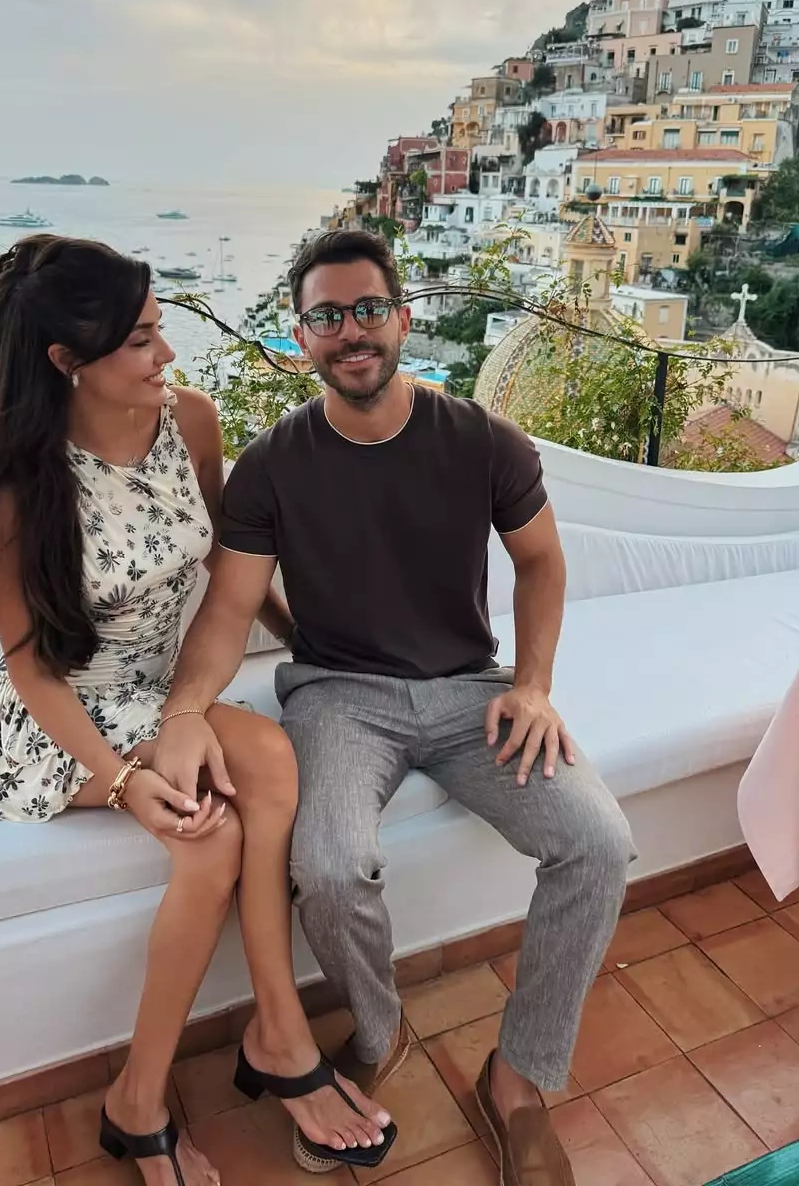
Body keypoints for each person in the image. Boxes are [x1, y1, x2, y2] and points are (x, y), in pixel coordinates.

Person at [154, 229, 636, 1186]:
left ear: (404, 319)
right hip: (340, 698)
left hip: (472, 692)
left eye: (368, 308)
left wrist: (533, 685)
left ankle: (518, 1079)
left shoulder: (481, 440)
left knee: (598, 842)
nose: (352, 332)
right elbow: (230, 610)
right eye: (327, 316)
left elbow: (541, 561)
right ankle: (378, 1033)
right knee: (329, 867)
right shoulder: (274, 464)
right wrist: (185, 709)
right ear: (301, 336)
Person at [0, 235, 393, 1186]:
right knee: (212, 837)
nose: (166, 354)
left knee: (271, 759)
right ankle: (139, 1102)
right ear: (68, 360)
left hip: (160, 692)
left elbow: (227, 558)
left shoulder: (190, 420)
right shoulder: (21, 486)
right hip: (54, 723)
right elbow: (33, 673)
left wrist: (305, 637)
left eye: (158, 328)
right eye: (140, 340)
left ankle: (276, 1034)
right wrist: (122, 782)